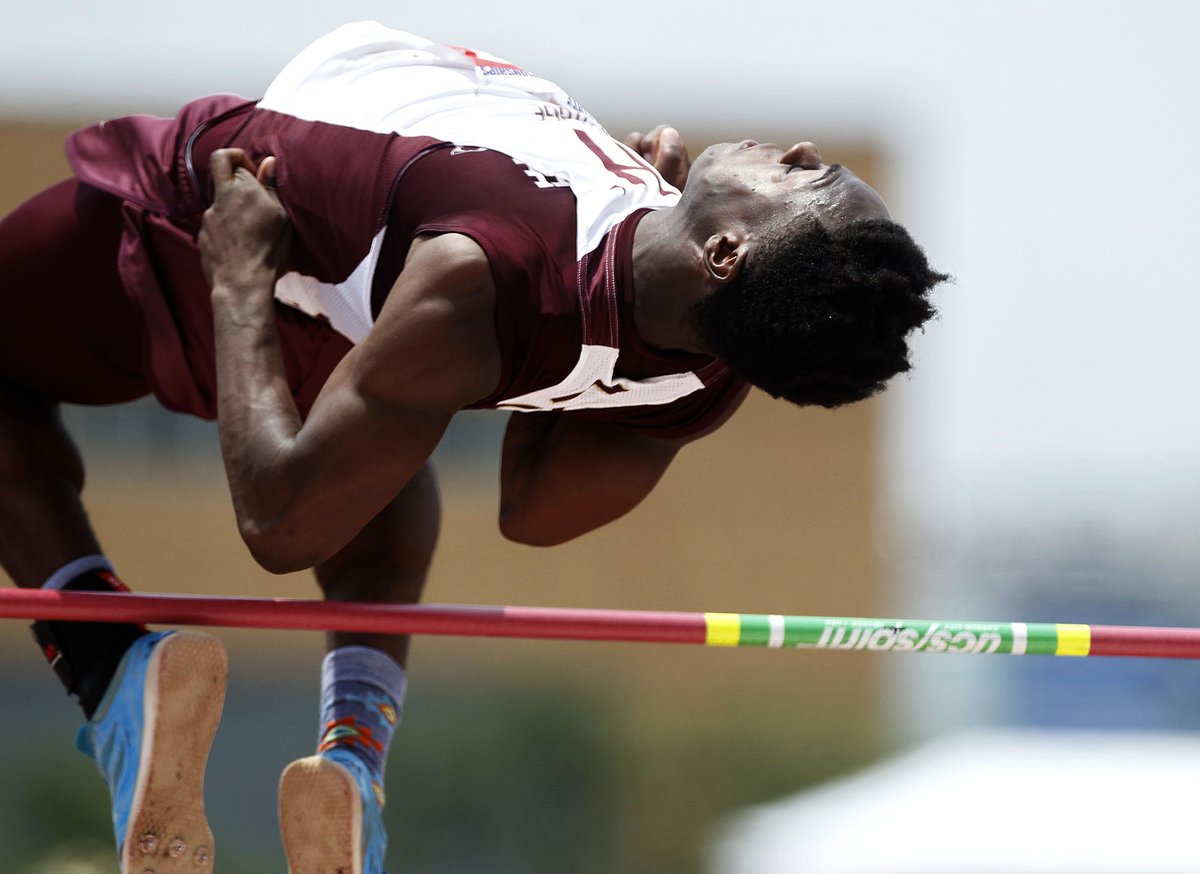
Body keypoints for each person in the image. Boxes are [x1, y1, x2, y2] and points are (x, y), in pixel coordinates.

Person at [0, 21, 946, 874]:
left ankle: (110, 664)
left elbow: (280, 523)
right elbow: (534, 510)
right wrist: (605, 300)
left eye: (804, 177)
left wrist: (239, 281)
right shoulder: (707, 368)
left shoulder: (480, 271)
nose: (801, 148)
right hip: (365, 290)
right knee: (377, 453)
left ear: (728, 255)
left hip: (219, 216)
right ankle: (354, 759)